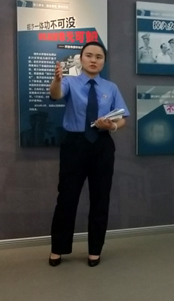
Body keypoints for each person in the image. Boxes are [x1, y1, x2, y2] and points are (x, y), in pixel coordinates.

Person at [47, 41, 129, 267]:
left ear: (104, 61)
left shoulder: (110, 87)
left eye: (99, 57)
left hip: (102, 144)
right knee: (67, 198)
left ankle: (95, 250)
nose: (94, 60)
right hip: (75, 145)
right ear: (81, 59)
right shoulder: (69, 82)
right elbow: (55, 95)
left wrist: (112, 126)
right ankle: (58, 248)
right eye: (89, 55)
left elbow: (122, 117)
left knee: (101, 198)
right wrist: (56, 80)